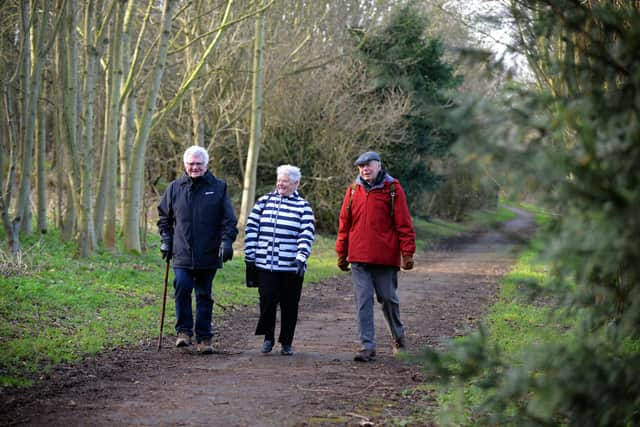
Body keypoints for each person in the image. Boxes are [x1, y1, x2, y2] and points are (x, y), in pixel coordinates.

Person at [336, 151, 416, 362]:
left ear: (379, 165)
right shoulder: (353, 191)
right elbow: (344, 225)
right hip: (358, 258)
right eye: (361, 166)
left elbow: (404, 223)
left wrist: (407, 253)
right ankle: (367, 346)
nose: (365, 169)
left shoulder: (393, 189)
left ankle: (399, 338)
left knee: (389, 300)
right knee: (363, 301)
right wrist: (341, 253)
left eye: (368, 165)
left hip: (385, 258)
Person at [157, 145, 238, 354]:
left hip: (208, 253)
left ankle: (204, 338)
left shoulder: (218, 187)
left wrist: (227, 242)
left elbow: (228, 220)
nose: (194, 167)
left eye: (198, 164)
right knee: (182, 287)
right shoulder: (174, 188)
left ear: (206, 165)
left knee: (204, 294)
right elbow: (164, 217)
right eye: (191, 164)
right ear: (185, 165)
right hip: (182, 252)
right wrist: (166, 240)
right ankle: (183, 332)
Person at [244, 165, 315, 356]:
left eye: (285, 181)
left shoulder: (303, 206)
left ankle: (286, 342)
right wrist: (250, 257)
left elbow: (306, 234)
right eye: (279, 180)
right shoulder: (264, 201)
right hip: (265, 265)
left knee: (289, 305)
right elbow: (251, 228)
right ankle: (268, 337)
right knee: (266, 300)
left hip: (291, 267)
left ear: (295, 183)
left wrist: (300, 258)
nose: (280, 184)